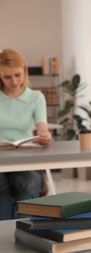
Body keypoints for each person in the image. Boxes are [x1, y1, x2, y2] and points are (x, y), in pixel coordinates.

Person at [0, 48, 52, 220]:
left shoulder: (36, 98)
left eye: (17, 75)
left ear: (25, 72)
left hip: (25, 159)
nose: (14, 81)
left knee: (28, 183)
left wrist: (44, 135)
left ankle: (21, 229)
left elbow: (42, 127)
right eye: (7, 77)